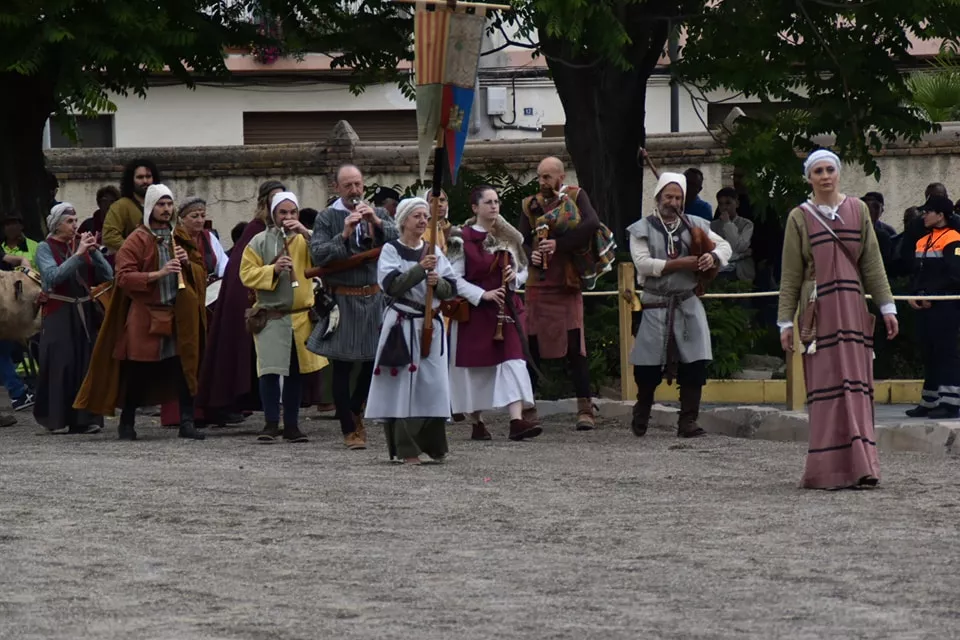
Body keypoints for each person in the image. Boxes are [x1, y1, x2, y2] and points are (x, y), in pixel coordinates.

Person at [778, 149, 898, 490]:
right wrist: (785, 322)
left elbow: (872, 264)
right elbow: (790, 274)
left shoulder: (858, 210)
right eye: (818, 171)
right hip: (819, 314)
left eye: (830, 169)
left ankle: (865, 467)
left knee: (858, 387)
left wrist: (888, 308)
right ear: (809, 177)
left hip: (853, 309)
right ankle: (826, 471)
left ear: (839, 173)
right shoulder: (799, 217)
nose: (825, 175)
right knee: (826, 390)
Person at [73, 184, 209, 441]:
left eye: (169, 204)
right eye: (161, 204)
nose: (166, 209)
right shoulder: (137, 238)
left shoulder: (179, 235)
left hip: (178, 313)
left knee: (184, 366)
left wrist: (187, 263)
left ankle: (187, 421)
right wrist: (157, 274)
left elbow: (201, 269)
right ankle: (127, 422)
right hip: (145, 313)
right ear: (150, 207)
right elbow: (123, 277)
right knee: (137, 369)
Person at [627, 172, 732, 438]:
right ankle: (642, 411)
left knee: (694, 363)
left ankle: (688, 421)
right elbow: (643, 263)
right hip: (655, 303)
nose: (672, 202)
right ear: (658, 197)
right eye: (668, 196)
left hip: (687, 302)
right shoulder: (642, 228)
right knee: (647, 367)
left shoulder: (696, 224)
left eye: (677, 197)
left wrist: (712, 257)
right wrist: (679, 264)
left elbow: (725, 247)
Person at [308, 165, 398, 450]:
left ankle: (356, 409)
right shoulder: (327, 217)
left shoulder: (378, 213)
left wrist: (378, 222)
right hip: (343, 299)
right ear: (337, 188)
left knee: (373, 362)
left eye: (357, 184)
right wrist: (344, 233)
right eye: (347, 185)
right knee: (343, 364)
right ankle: (348, 427)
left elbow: (401, 243)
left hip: (373, 298)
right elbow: (318, 254)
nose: (354, 190)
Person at [364, 198, 457, 464]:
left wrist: (436, 282)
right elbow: (392, 286)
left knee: (433, 385)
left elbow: (450, 288)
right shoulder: (391, 250)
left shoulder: (433, 251)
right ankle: (406, 449)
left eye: (425, 216)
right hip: (402, 324)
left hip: (430, 325)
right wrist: (420, 269)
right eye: (416, 216)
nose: (422, 221)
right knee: (402, 386)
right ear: (404, 220)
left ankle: (434, 445)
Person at [447, 186, 542, 442]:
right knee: (475, 371)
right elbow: (453, 279)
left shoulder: (507, 237)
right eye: (488, 202)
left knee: (513, 361)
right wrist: (481, 295)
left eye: (496, 201)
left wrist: (514, 278)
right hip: (476, 312)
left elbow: (524, 269)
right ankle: (477, 422)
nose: (494, 206)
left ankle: (516, 421)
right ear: (475, 208)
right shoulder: (460, 239)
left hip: (506, 308)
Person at [519, 156, 600, 430]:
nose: (542, 182)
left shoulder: (576, 196)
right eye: (540, 176)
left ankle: (585, 407)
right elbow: (521, 239)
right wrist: (531, 255)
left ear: (561, 177)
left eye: (547, 177)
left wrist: (558, 245)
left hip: (566, 282)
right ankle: (528, 409)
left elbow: (591, 224)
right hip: (538, 285)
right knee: (531, 347)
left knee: (575, 345)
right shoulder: (530, 205)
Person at [240, 191, 328, 443]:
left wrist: (305, 233)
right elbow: (246, 274)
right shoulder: (258, 241)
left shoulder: (306, 238)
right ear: (273, 214)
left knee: (294, 372)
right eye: (283, 212)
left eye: (292, 212)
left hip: (300, 318)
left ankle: (291, 425)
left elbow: (324, 258)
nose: (288, 217)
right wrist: (273, 270)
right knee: (268, 371)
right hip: (271, 316)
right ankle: (270, 423)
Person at [195, 181, 285, 422]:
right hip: (247, 299)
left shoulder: (282, 231)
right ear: (265, 202)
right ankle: (224, 403)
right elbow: (240, 271)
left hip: (271, 298)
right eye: (275, 199)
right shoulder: (255, 229)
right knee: (235, 351)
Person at [33, 203, 113, 434]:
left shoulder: (81, 246)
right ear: (57, 225)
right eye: (70, 222)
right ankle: (56, 419)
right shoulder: (44, 248)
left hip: (84, 313)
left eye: (76, 220)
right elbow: (52, 277)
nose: (75, 226)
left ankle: (84, 420)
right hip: (60, 312)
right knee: (62, 364)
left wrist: (95, 252)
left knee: (86, 364)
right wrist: (79, 255)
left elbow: (108, 275)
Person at [159, 197, 229, 428]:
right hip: (183, 304)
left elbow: (224, 266)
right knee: (185, 357)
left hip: (210, 302)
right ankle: (182, 414)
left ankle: (210, 408)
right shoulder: (174, 239)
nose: (199, 220)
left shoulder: (209, 238)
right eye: (194, 216)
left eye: (202, 215)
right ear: (182, 218)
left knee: (207, 358)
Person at [903, 195, 960, 419]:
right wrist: (912, 295)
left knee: (946, 352)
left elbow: (955, 275)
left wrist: (933, 296)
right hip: (925, 305)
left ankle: (951, 401)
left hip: (946, 305)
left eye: (928, 212)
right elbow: (918, 274)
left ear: (941, 215)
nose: (924, 215)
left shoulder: (954, 239)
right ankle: (930, 400)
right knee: (929, 353)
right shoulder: (922, 240)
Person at [102, 158, 161, 253]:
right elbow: (110, 237)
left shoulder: (163, 204)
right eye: (140, 177)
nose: (145, 181)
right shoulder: (121, 206)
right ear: (131, 180)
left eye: (148, 176)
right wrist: (135, 250)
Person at [711, 187, 755, 282]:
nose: (724, 207)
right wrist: (741, 255)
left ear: (737, 204)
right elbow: (716, 252)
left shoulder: (747, 224)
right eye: (720, 204)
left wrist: (727, 224)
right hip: (720, 271)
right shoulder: (713, 226)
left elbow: (738, 247)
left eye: (728, 203)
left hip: (741, 273)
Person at [422, 188, 451, 254]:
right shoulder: (420, 232)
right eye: (433, 201)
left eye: (442, 200)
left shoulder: (456, 232)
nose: (439, 204)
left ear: (447, 204)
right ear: (426, 205)